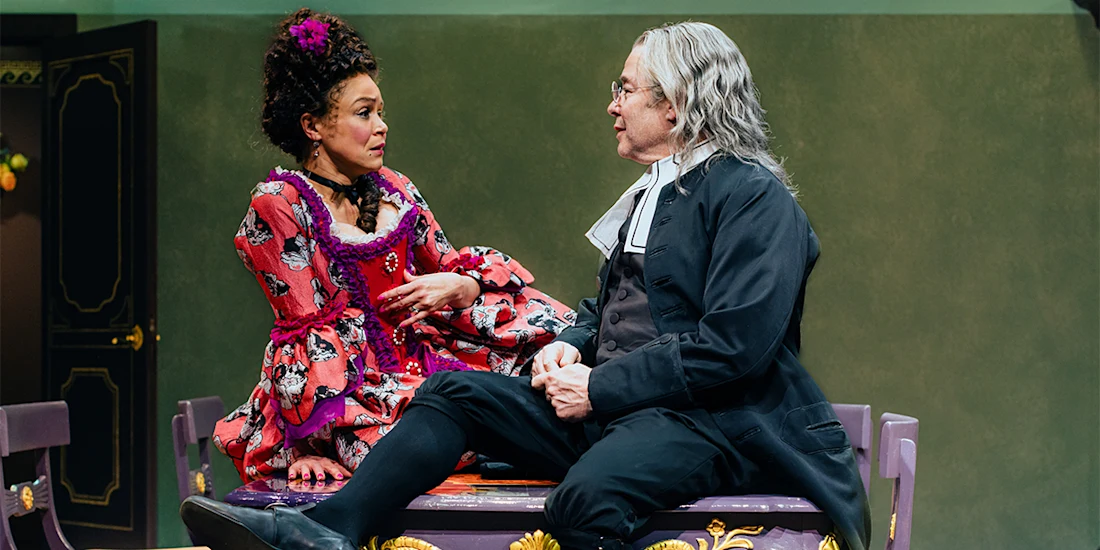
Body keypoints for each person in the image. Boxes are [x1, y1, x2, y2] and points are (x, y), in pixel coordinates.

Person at [183, 21, 872, 550]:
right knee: (453, 390)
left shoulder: (754, 198)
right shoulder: (651, 197)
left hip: (715, 425)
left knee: (582, 505)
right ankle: (331, 532)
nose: (613, 105)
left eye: (626, 89)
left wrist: (598, 387)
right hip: (628, 414)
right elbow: (607, 309)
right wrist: (569, 345)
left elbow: (733, 347)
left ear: (677, 105)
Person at [212, 8, 575, 484]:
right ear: (313, 125)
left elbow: (449, 264)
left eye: (381, 111)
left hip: (426, 368)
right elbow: (302, 335)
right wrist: (304, 446)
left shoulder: (394, 189)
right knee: (414, 453)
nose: (382, 126)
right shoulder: (280, 204)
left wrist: (459, 284)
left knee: (558, 351)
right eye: (364, 114)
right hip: (352, 399)